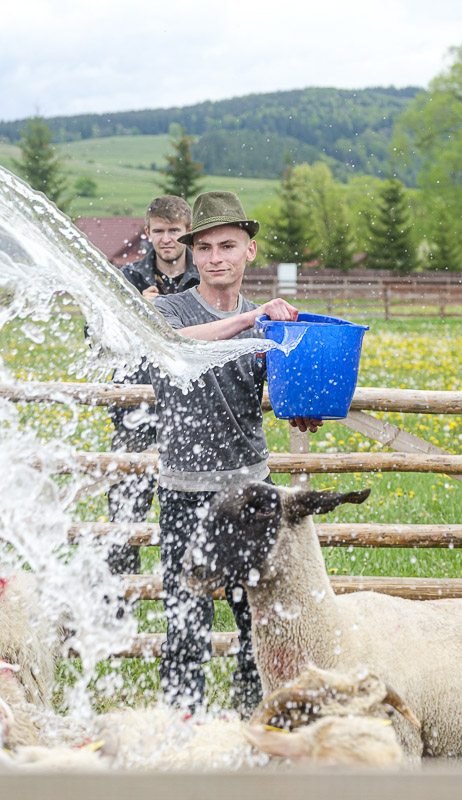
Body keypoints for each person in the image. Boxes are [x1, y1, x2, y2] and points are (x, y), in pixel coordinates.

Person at [150, 190, 319, 711]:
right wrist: (250, 323)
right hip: (186, 488)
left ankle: (256, 722)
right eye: (205, 248)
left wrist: (303, 403)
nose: (216, 257)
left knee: (259, 621)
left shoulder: (268, 320)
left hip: (251, 490)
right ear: (192, 254)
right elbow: (177, 347)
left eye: (228, 245)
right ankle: (183, 731)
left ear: (250, 251)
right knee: (185, 620)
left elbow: (284, 385)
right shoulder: (170, 308)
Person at [106, 196, 200, 575]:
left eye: (175, 231)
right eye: (159, 231)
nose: (167, 239)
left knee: (191, 517)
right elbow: (95, 334)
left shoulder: (204, 275)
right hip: (136, 415)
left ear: (187, 233)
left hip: (192, 413)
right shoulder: (128, 278)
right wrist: (135, 316)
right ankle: (120, 605)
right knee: (125, 518)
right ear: (147, 233)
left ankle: (187, 594)